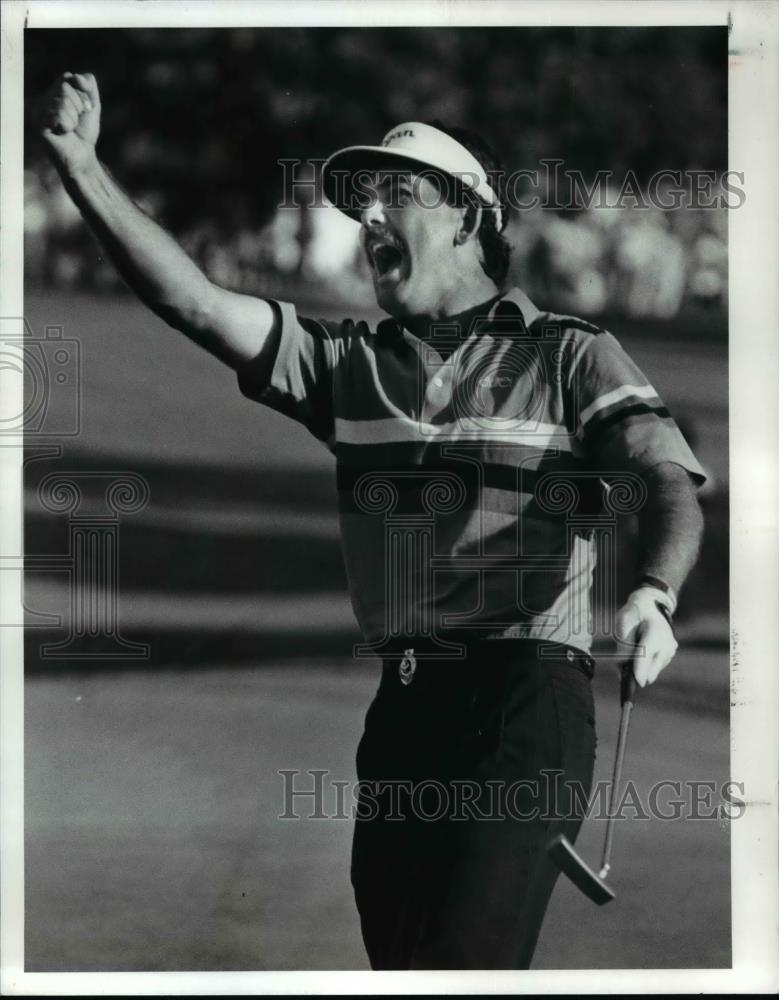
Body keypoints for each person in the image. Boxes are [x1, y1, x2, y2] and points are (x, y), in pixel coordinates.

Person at [37, 72, 706, 970]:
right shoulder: (349, 365)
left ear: (469, 218)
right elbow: (194, 302)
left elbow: (664, 479)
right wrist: (82, 170)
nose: (370, 218)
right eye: (362, 202)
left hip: (523, 700)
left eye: (398, 192)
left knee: (458, 961)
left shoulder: (571, 353)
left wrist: (654, 592)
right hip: (402, 712)